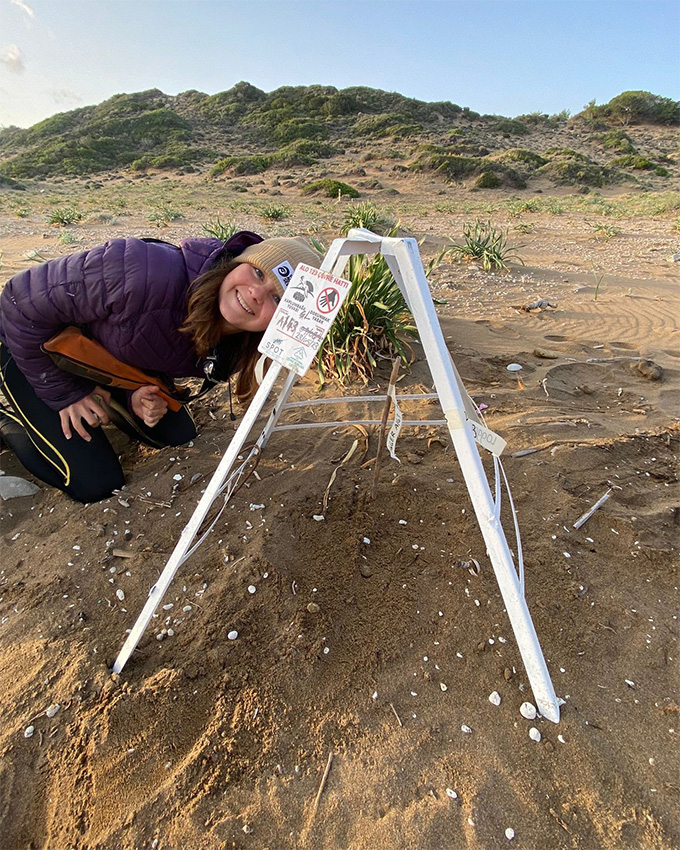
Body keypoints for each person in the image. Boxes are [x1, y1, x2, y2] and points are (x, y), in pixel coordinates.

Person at [0, 232, 321, 503]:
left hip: (92, 359)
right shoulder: (143, 271)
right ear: (238, 260)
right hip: (28, 347)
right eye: (259, 273)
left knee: (177, 432)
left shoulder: (236, 344)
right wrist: (66, 395)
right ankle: (6, 416)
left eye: (277, 300)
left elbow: (146, 344)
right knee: (95, 482)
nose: (254, 293)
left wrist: (135, 393)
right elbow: (16, 301)